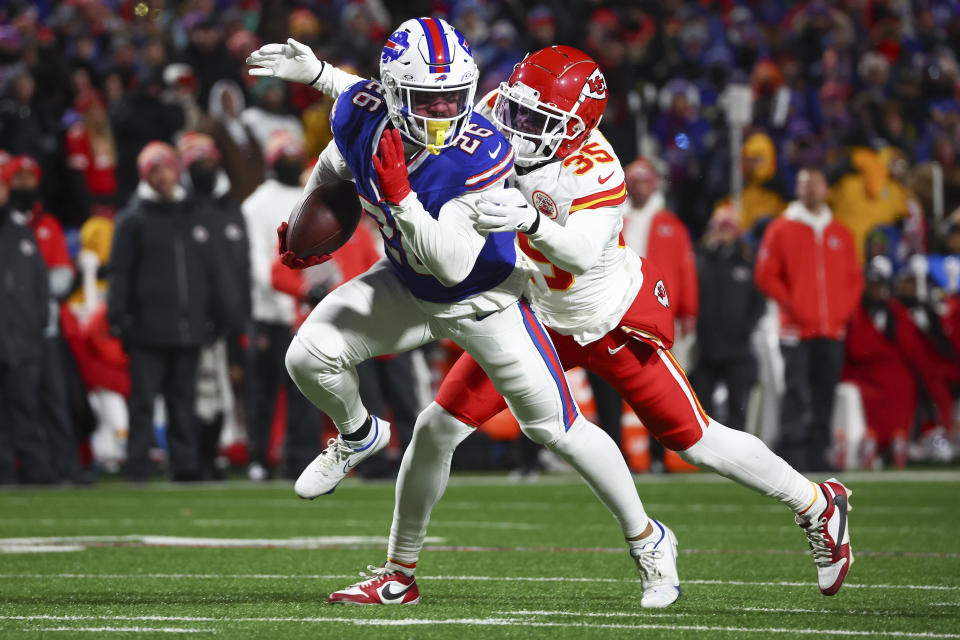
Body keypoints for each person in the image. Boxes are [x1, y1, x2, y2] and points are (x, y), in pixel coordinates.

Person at [250, 42, 855, 606]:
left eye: (538, 121)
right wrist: (327, 77)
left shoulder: (596, 170)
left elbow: (580, 255)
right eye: (514, 106)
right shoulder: (490, 114)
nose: (515, 125)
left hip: (599, 316)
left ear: (577, 131)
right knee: (438, 428)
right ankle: (399, 573)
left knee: (690, 438)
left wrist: (532, 223)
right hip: (518, 304)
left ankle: (811, 502)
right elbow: (410, 98)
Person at [247, 20, 681, 604]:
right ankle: (360, 443)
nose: (448, 110)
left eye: (457, 94)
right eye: (429, 99)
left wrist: (399, 197)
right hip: (405, 282)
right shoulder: (361, 111)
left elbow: (450, 264)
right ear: (394, 94)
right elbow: (338, 154)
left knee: (558, 429)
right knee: (307, 356)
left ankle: (650, 540)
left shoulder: (483, 151)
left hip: (484, 297)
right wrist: (310, 211)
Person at [107, 141, 236, 482]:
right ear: (145, 176)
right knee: (143, 403)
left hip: (188, 326)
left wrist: (217, 316)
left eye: (167, 169)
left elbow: (209, 272)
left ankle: (185, 466)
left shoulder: (190, 213)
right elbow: (118, 273)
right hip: (145, 328)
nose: (164, 177)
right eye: (156, 170)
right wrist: (118, 317)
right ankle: (137, 465)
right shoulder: (132, 219)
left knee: (183, 402)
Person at [755, 168, 864, 472]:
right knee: (796, 390)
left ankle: (819, 453)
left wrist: (843, 311)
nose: (812, 191)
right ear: (798, 190)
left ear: (826, 189)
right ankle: (792, 453)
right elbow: (765, 274)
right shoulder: (781, 229)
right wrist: (791, 303)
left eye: (816, 184)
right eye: (805, 185)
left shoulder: (841, 233)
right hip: (794, 328)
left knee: (824, 390)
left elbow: (854, 279)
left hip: (831, 327)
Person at [240, 130, 306, 481]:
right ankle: (259, 458)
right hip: (269, 313)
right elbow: (258, 264)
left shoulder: (308, 195)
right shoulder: (256, 205)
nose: (293, 161)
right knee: (262, 392)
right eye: (286, 155)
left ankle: (297, 457)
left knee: (304, 392)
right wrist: (287, 299)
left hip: (304, 311)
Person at [0, 172, 56, 485]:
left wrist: (38, 322)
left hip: (23, 339)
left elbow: (40, 282)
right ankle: (4, 470)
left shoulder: (22, 234)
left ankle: (36, 469)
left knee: (27, 407)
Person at [692, 203, 766, 431]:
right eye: (720, 226)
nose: (724, 231)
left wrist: (745, 328)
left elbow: (759, 301)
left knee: (738, 408)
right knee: (701, 408)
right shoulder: (700, 258)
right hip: (706, 347)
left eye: (728, 226)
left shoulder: (747, 260)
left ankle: (739, 457)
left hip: (737, 348)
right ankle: (706, 457)